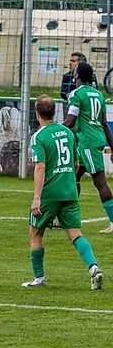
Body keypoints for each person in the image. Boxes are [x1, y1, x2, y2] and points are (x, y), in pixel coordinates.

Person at [25, 96, 103, 289]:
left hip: (50, 193)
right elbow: (76, 163)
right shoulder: (68, 132)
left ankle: (39, 278)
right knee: (75, 233)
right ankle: (93, 268)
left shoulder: (39, 137)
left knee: (35, 232)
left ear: (37, 113)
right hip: (70, 191)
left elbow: (40, 167)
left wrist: (37, 198)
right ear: (54, 112)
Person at [62, 62, 113, 234]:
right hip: (93, 139)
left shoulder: (76, 94)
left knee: (100, 182)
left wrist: (51, 129)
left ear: (76, 75)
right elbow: (104, 123)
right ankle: (69, 218)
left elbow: (70, 122)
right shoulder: (98, 94)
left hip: (88, 142)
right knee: (73, 177)